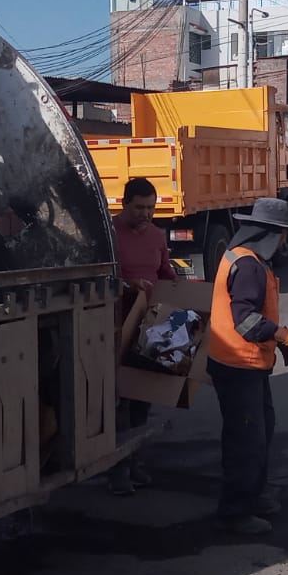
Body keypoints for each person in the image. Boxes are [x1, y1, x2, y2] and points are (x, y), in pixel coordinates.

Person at [207, 197, 288, 535]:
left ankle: (251, 495)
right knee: (248, 440)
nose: (285, 241)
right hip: (238, 364)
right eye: (284, 234)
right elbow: (245, 321)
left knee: (259, 431)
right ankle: (236, 511)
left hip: (243, 362)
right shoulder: (249, 267)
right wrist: (286, 336)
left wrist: (277, 342)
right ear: (272, 234)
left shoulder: (248, 259)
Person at [108, 177, 177, 495]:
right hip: (111, 328)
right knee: (118, 399)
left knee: (143, 398)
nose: (146, 213)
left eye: (151, 207)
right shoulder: (107, 233)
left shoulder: (157, 236)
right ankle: (117, 471)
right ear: (125, 204)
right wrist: (127, 286)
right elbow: (99, 276)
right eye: (140, 207)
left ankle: (136, 463)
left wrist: (183, 291)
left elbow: (164, 272)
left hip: (149, 327)